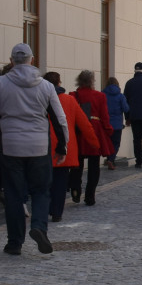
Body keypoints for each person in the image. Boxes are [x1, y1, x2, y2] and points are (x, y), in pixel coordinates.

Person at [0, 43, 67, 255]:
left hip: (10, 146)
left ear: (11, 61)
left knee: (13, 195)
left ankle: (14, 243)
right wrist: (62, 146)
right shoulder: (46, 86)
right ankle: (39, 227)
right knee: (41, 191)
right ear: (32, 59)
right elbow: (59, 118)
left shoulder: (1, 83)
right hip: (39, 146)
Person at [43, 72, 98, 222]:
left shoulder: (39, 99)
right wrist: (95, 143)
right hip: (63, 148)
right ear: (59, 83)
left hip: (43, 147)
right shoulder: (69, 100)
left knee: (45, 181)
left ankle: (47, 208)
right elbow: (84, 124)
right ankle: (57, 212)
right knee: (60, 182)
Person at [70, 70, 115, 205]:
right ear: (92, 81)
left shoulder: (73, 95)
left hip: (78, 130)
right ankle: (90, 196)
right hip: (95, 130)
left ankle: (76, 190)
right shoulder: (100, 96)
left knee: (76, 164)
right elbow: (104, 116)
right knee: (94, 165)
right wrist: (108, 130)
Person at [103, 76, 129, 169]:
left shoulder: (103, 95)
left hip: (106, 123)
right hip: (117, 124)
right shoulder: (120, 96)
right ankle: (111, 159)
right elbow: (126, 108)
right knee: (116, 143)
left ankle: (109, 158)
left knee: (107, 143)